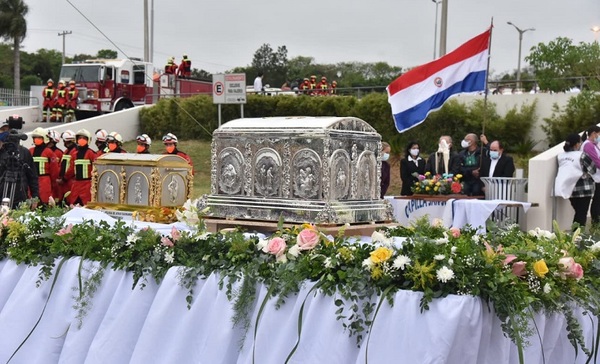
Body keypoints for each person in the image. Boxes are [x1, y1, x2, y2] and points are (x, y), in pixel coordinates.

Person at [554, 133, 595, 229]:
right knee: (581, 214)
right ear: (577, 144)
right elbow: (592, 169)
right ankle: (577, 236)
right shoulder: (582, 155)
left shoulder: (561, 156)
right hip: (584, 189)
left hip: (570, 190)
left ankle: (575, 235)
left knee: (578, 212)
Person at [0, 120, 39, 209]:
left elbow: (32, 177)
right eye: (3, 130)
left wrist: (35, 197)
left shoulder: (23, 152)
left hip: (20, 198)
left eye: (8, 130)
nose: (6, 133)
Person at [64, 129, 97, 206]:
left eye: (84, 138)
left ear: (88, 140)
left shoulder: (91, 154)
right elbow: (71, 169)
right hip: (76, 185)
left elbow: (96, 170)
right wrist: (64, 178)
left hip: (87, 185)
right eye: (80, 138)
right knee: (73, 205)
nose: (81, 140)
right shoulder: (74, 154)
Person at [29, 127, 59, 205]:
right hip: (32, 181)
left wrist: (52, 182)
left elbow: (54, 170)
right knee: (32, 203)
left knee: (44, 202)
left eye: (39, 138)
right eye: (35, 138)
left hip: (44, 181)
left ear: (44, 138)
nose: (36, 139)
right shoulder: (30, 151)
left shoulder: (49, 152)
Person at [581, 125, 600, 224]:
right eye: (598, 134)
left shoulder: (593, 145)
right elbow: (596, 161)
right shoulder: (588, 145)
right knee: (597, 201)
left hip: (597, 177)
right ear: (593, 133)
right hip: (594, 177)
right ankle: (596, 221)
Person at [57, 130, 76, 204]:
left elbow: (71, 168)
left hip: (70, 181)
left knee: (69, 201)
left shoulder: (74, 151)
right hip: (64, 181)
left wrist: (64, 178)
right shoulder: (66, 151)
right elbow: (61, 165)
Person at [46, 130, 64, 202]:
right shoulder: (43, 151)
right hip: (46, 180)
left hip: (55, 182)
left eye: (50, 140)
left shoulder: (59, 153)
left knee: (56, 199)